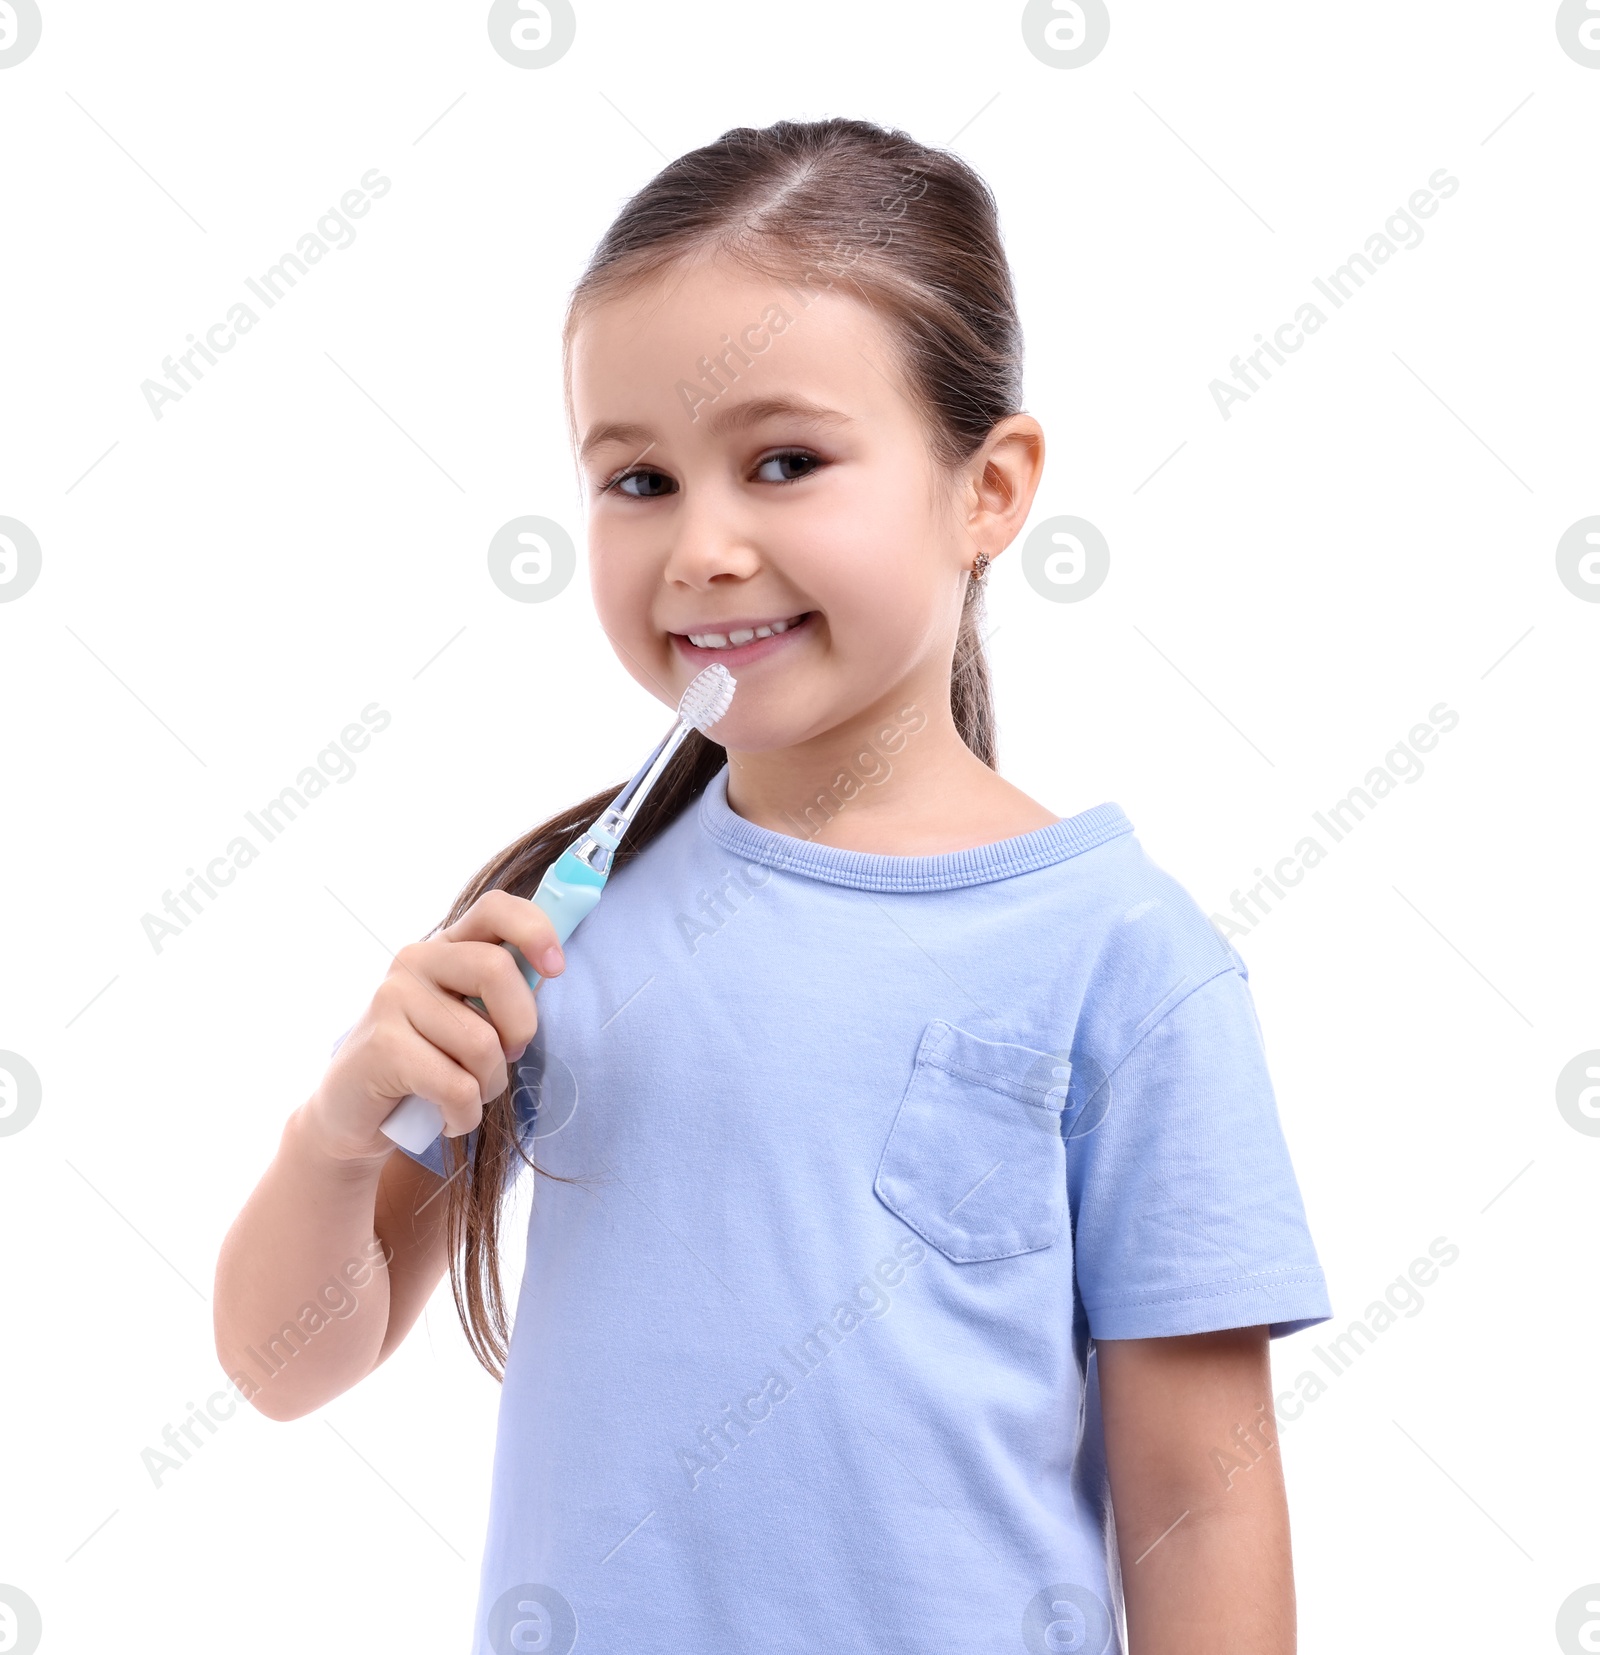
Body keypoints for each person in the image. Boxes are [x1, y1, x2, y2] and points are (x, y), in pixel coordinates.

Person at [214, 115, 1331, 1654]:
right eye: (638, 480)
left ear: (989, 489)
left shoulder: (1123, 959)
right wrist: (343, 1131)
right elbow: (286, 1364)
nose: (705, 548)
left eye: (785, 463)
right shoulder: (566, 927)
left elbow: (1197, 1510)